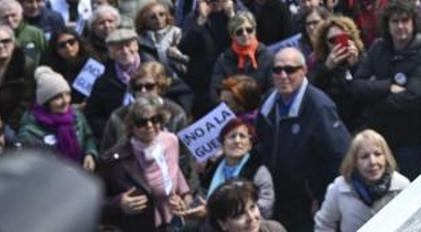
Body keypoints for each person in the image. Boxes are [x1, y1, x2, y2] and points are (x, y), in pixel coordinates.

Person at [255, 46, 350, 232]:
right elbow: (261, 144)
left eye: (290, 70)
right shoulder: (268, 102)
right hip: (278, 197)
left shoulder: (319, 106)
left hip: (308, 202)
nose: (283, 75)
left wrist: (323, 200)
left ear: (304, 70)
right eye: (277, 70)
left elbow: (339, 156)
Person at [352, 0, 421, 179]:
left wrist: (373, 99)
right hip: (379, 135)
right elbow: (357, 86)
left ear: (413, 23)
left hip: (411, 137)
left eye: (405, 21)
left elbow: (413, 96)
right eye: (395, 21)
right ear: (387, 25)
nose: (400, 26)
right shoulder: (377, 48)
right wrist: (387, 86)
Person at [99, 94, 194, 232]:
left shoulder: (171, 141)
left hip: (172, 222)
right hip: (137, 226)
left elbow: (174, 169)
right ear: (131, 126)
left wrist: (185, 195)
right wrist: (119, 204)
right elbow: (96, 200)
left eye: (155, 119)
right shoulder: (114, 158)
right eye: (141, 122)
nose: (149, 126)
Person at [314, 129, 411, 232]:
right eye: (364, 156)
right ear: (354, 162)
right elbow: (324, 225)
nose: (373, 162)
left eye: (378, 154)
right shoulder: (339, 188)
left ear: (386, 157)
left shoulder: (402, 186)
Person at [17, 66, 98, 170]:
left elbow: (88, 137)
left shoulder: (76, 116)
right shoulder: (30, 131)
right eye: (58, 97)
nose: (66, 101)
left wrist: (90, 154)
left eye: (67, 94)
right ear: (46, 102)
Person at [197, 118, 275, 219]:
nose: (237, 141)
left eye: (242, 136)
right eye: (232, 136)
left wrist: (217, 213)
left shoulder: (259, 172)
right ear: (223, 144)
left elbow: (265, 207)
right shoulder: (211, 170)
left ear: (250, 145)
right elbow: (200, 199)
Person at [209, 12, 274, 102]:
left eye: (249, 30)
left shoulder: (268, 57)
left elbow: (273, 90)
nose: (245, 34)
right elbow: (215, 93)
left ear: (255, 31)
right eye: (239, 32)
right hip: (234, 110)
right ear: (232, 36)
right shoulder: (223, 61)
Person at [204, 179, 285, 232]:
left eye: (252, 207)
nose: (251, 217)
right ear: (222, 224)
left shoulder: (273, 229)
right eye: (239, 214)